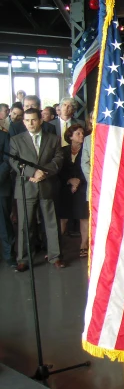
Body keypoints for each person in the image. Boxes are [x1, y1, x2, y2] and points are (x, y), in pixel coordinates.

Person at [9, 108, 65, 271]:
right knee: (25, 225)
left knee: (52, 222)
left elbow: (58, 159)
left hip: (47, 186)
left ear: (40, 120)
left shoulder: (53, 139)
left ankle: (55, 256)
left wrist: (43, 172)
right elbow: (14, 162)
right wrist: (32, 172)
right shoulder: (16, 140)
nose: (30, 123)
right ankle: (23, 259)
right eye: (27, 120)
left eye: (33, 120)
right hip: (26, 187)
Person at [56, 124, 89, 258]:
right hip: (65, 189)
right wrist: (69, 180)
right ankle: (57, 246)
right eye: (78, 134)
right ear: (70, 137)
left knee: (83, 217)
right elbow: (59, 170)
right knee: (63, 218)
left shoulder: (87, 150)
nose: (81, 136)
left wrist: (78, 181)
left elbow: (88, 166)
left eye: (82, 133)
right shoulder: (62, 151)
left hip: (82, 188)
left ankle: (83, 245)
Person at [0, 128, 13, 268]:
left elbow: (7, 159)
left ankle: (9, 255)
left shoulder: (4, 136)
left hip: (1, 186)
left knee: (4, 223)